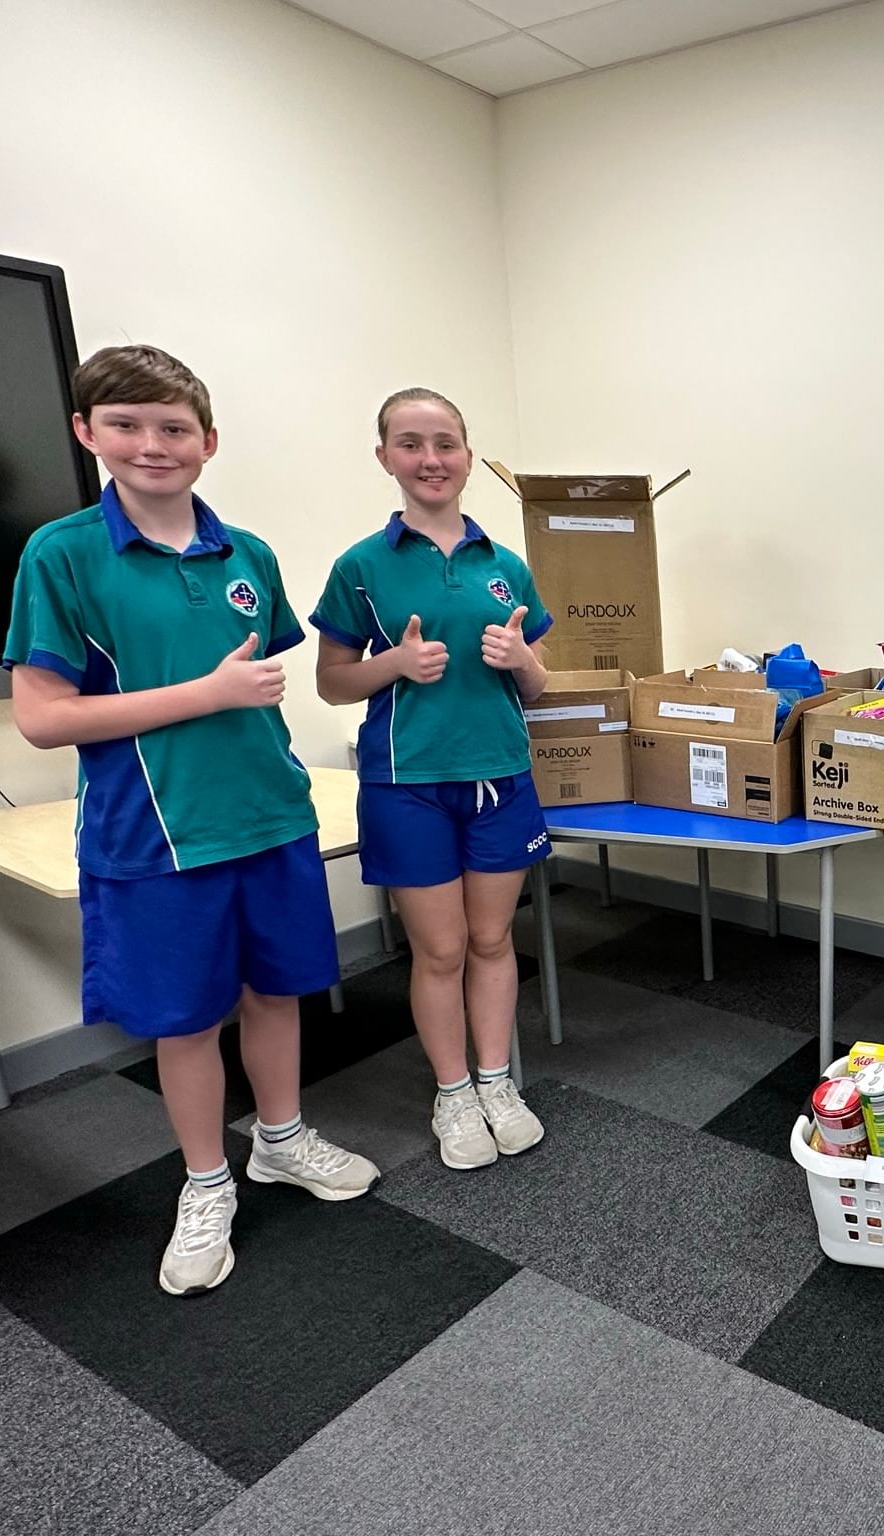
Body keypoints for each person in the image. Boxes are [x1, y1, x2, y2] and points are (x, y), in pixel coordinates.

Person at [4, 345, 379, 1298]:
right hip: (155, 835)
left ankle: (282, 1143)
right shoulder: (62, 553)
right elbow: (45, 719)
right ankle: (206, 1181)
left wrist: (230, 703)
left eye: (173, 427)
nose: (151, 444)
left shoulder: (246, 553)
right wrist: (203, 694)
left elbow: (267, 687)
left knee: (278, 992)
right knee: (183, 1022)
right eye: (124, 424)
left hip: (268, 816)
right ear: (88, 434)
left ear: (207, 443)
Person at [311, 388, 552, 1171]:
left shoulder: (504, 564)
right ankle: (453, 1094)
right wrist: (394, 665)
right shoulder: (362, 565)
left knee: (491, 938)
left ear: (468, 456)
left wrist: (523, 663)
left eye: (444, 442)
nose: (430, 459)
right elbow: (333, 683)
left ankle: (496, 1082)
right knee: (440, 950)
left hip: (499, 779)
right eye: (410, 443)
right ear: (385, 458)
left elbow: (539, 684)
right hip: (406, 783)